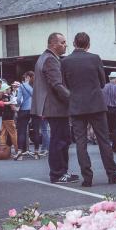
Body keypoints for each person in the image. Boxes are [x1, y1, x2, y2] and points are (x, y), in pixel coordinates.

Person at [61, 32, 116, 186]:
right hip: (96, 104)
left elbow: (65, 84)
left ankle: (87, 178)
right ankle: (112, 175)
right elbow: (102, 82)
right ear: (88, 44)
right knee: (104, 141)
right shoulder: (95, 58)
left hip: (77, 106)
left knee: (81, 143)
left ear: (74, 43)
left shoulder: (65, 61)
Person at [31, 32, 78, 184]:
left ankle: (61, 172)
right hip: (55, 107)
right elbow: (57, 84)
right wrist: (73, 99)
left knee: (60, 139)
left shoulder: (44, 57)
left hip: (51, 107)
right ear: (53, 44)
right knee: (60, 140)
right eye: (63, 42)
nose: (66, 45)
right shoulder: (51, 59)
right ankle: (58, 174)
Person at [15, 71, 39, 160]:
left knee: (21, 131)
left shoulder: (22, 86)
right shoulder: (37, 86)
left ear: (28, 77)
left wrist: (17, 105)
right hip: (35, 109)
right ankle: (36, 153)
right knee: (36, 130)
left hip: (24, 110)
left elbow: (18, 100)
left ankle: (20, 153)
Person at [0, 83, 19, 157]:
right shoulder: (6, 97)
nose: (10, 89)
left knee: (3, 133)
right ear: (5, 90)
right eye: (8, 88)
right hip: (9, 117)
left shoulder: (3, 97)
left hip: (4, 117)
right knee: (13, 133)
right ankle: (17, 150)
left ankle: (3, 150)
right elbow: (12, 107)